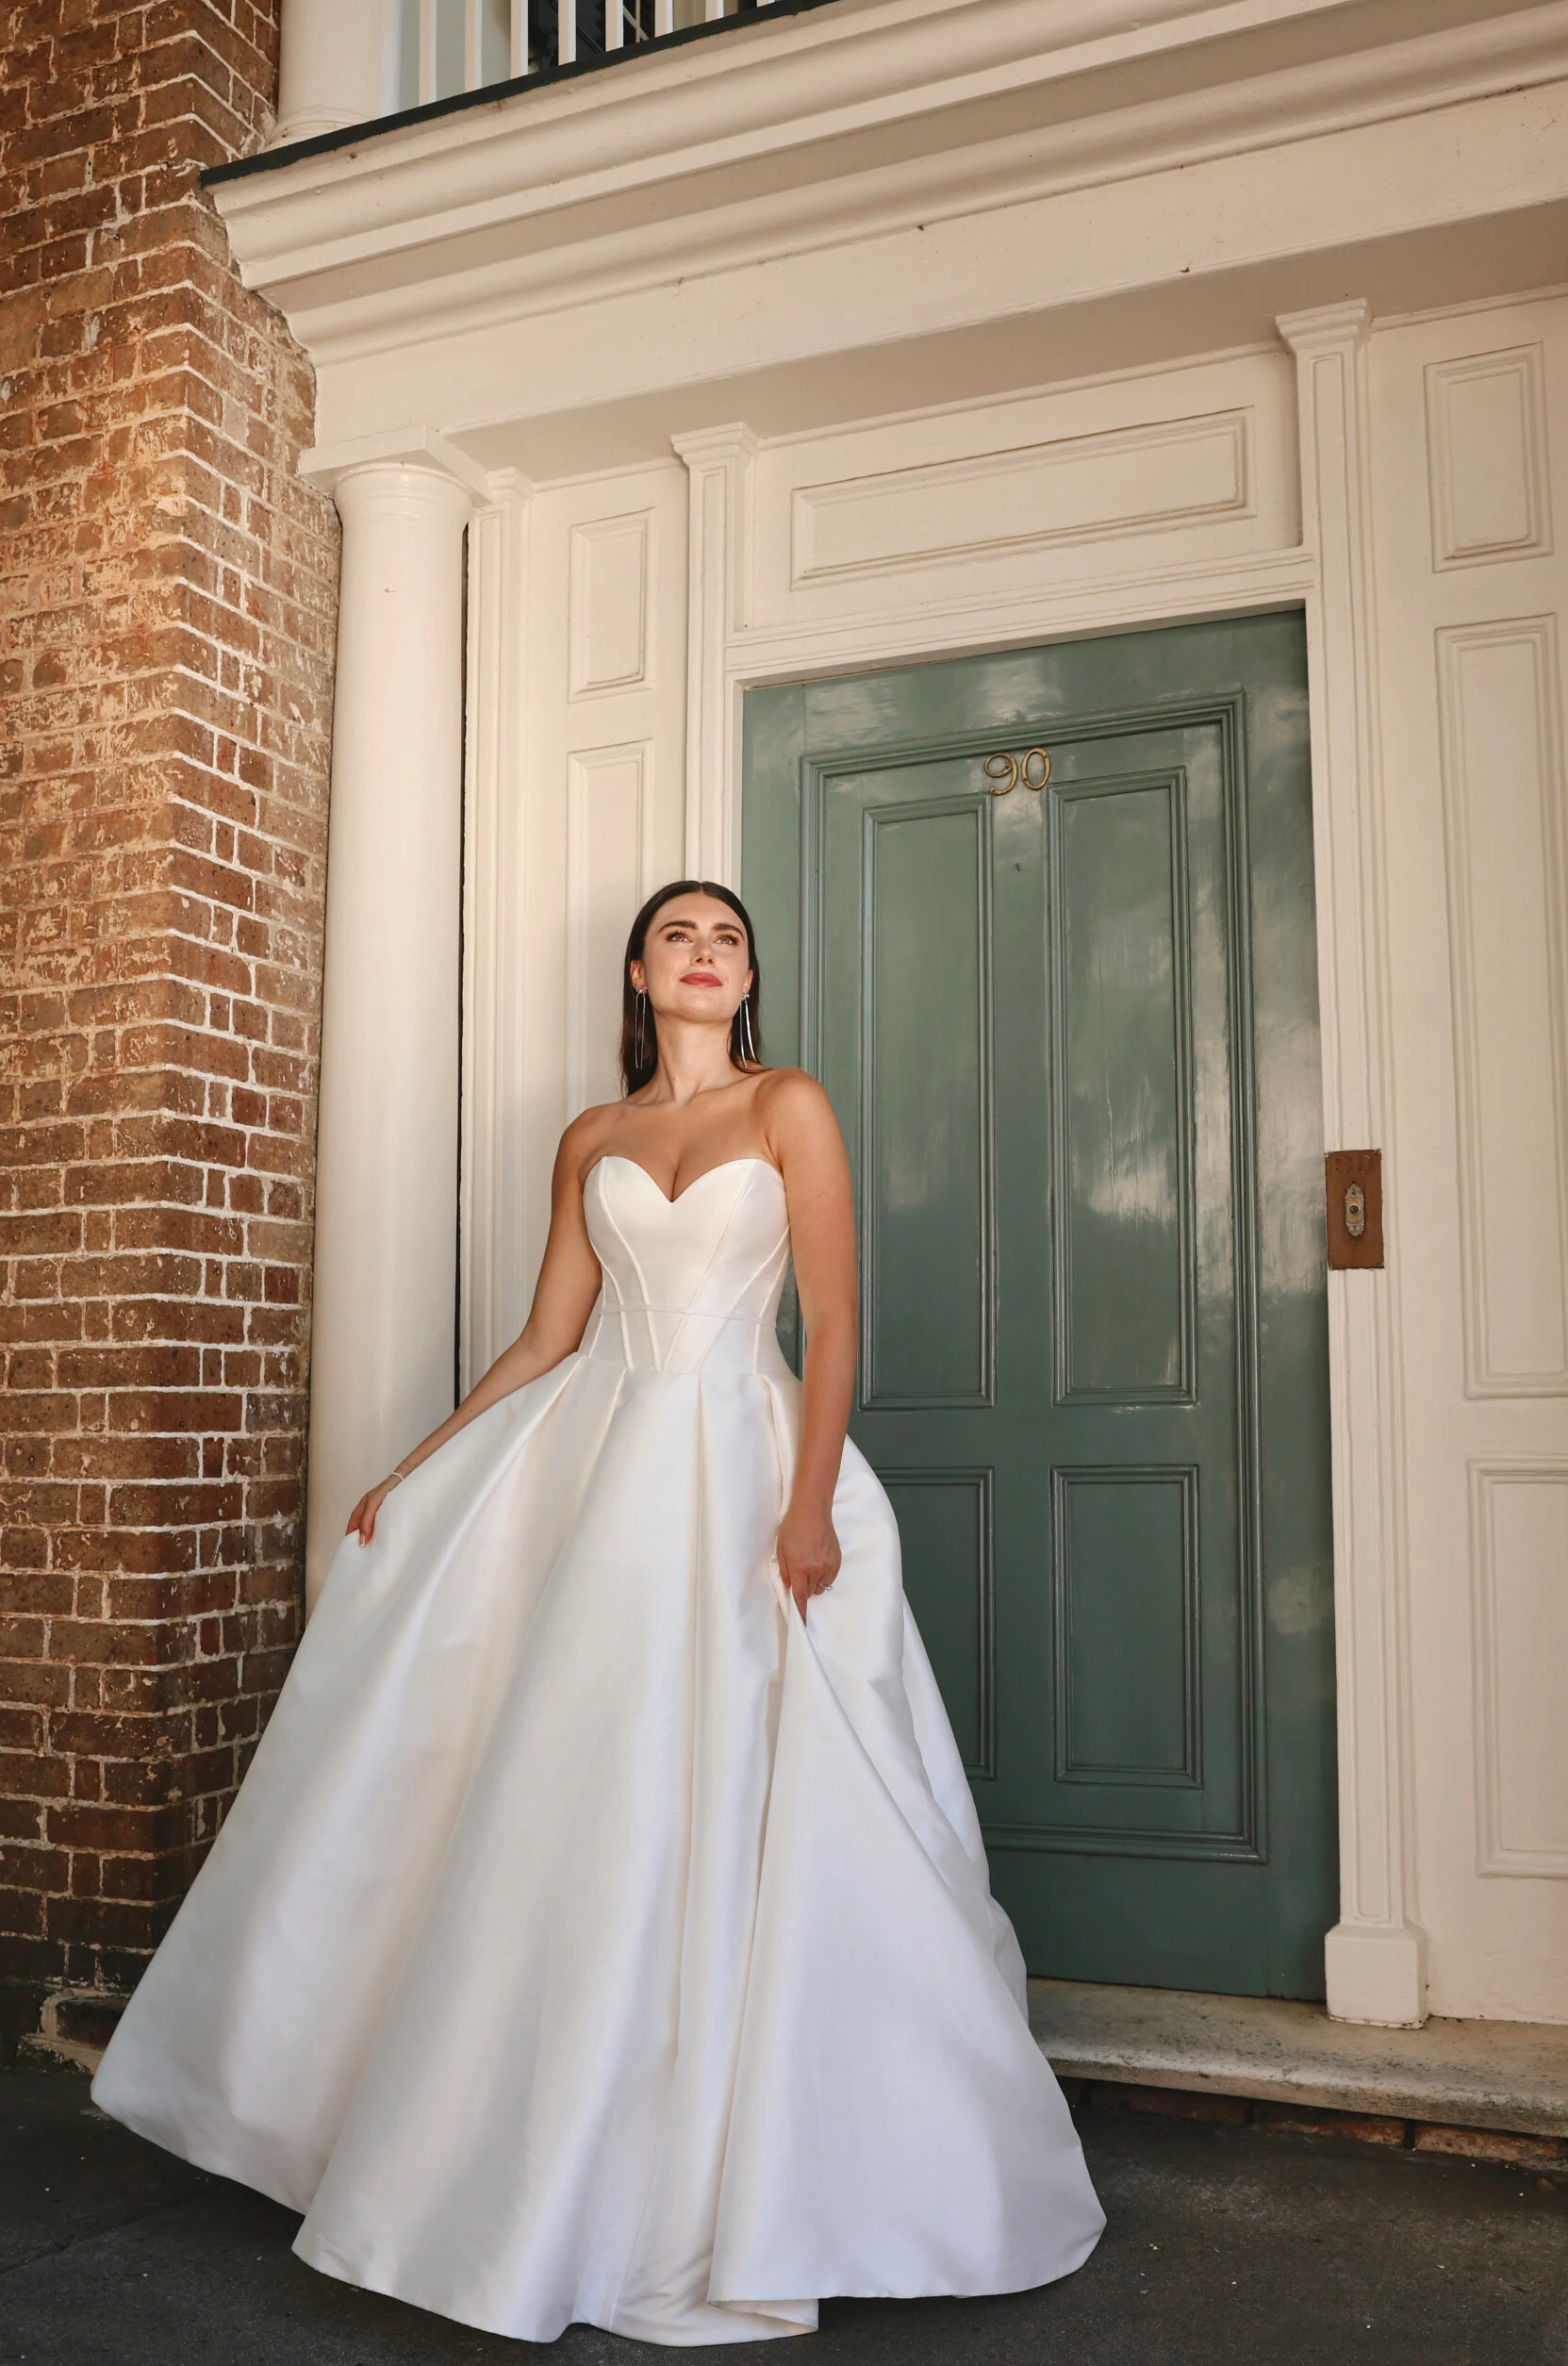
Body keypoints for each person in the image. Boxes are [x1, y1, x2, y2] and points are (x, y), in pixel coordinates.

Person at [92, 879, 1104, 2345]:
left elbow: (832, 1324)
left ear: (745, 978)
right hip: (605, 1468)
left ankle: (762, 2171)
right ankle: (536, 2161)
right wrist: (416, 1467)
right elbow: (545, 1336)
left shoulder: (791, 1108)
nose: (705, 954)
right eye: (679, 935)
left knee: (762, 1784)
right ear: (639, 972)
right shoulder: (594, 1138)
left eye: (729, 938)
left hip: (744, 1460)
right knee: (589, 1780)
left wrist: (809, 1503)